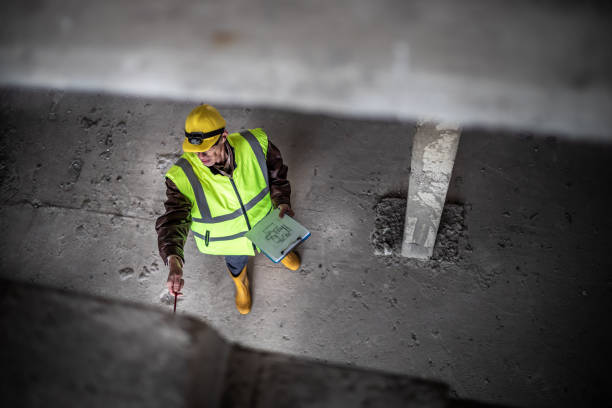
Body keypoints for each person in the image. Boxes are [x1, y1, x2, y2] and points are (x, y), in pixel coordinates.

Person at [155, 104, 300, 314]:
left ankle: (281, 252)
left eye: (207, 148)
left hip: (266, 222)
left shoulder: (256, 144)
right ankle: (241, 284)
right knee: (236, 263)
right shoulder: (182, 176)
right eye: (194, 151)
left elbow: (277, 175)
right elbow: (173, 221)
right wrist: (174, 261)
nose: (201, 157)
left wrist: (283, 201)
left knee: (276, 241)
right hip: (230, 242)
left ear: (224, 136)